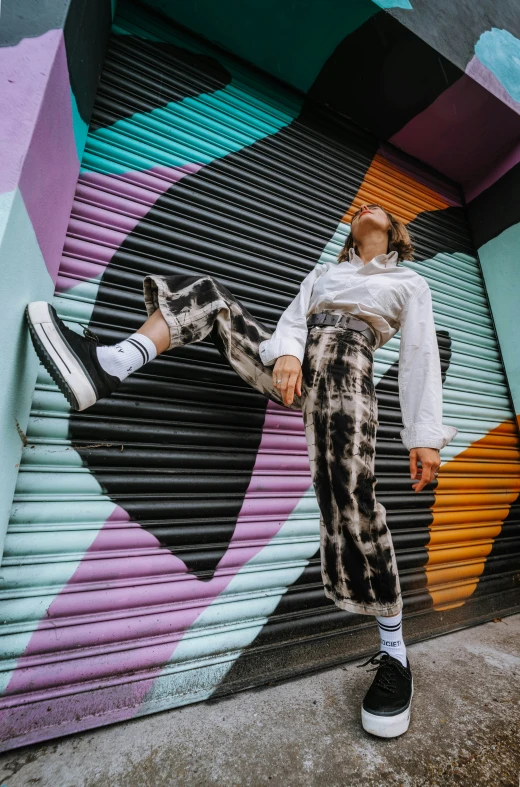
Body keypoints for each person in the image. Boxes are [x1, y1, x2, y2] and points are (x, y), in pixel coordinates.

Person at [26, 202, 458, 739]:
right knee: (210, 295)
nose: (367, 208)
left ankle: (395, 654)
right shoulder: (326, 272)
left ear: (394, 231)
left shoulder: (409, 282)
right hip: (292, 363)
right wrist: (290, 354)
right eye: (359, 208)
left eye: (379, 209)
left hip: (350, 368)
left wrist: (423, 437)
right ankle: (111, 363)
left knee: (352, 501)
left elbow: (420, 355)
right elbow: (295, 318)